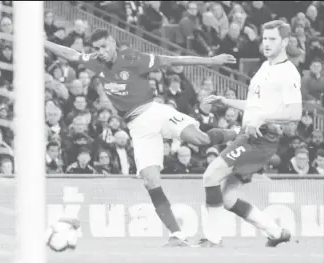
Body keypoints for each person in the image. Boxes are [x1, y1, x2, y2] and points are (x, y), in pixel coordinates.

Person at [44, 28, 238, 247]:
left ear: (113, 44)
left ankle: (237, 132)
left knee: (200, 140)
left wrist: (210, 60)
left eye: (104, 47)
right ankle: (177, 235)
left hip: (155, 112)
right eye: (96, 49)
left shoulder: (132, 58)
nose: (101, 52)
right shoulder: (95, 61)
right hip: (137, 127)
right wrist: (42, 42)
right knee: (150, 180)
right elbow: (70, 54)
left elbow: (170, 60)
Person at [200, 20, 302, 248]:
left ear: (284, 41)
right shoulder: (266, 67)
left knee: (210, 176)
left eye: (272, 39)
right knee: (227, 199)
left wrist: (263, 119)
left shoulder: (288, 73)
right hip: (250, 136)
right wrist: (227, 101)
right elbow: (256, 106)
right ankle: (276, 232)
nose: (266, 43)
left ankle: (213, 240)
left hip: (261, 139)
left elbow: (295, 112)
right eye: (264, 38)